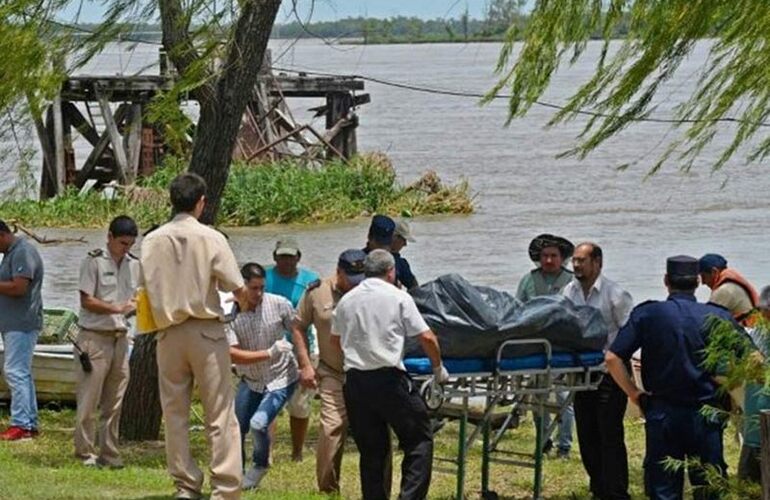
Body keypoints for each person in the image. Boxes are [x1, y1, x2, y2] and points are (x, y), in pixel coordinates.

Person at [140, 173, 246, 500]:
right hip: (205, 330)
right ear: (201, 202)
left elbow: (144, 288)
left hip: (168, 333)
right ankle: (225, 487)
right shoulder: (211, 238)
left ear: (172, 200)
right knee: (220, 414)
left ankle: (185, 484)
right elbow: (233, 284)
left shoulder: (151, 240)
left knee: (174, 414)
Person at [606, 255, 737, 499]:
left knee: (663, 489)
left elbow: (613, 359)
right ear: (698, 282)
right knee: (709, 487)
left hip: (663, 413)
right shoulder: (718, 316)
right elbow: (752, 359)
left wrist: (634, 394)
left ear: (666, 280)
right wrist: (728, 389)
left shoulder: (648, 314)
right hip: (706, 413)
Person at [331, 249, 449, 500]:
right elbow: (426, 337)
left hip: (356, 383)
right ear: (391, 271)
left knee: (372, 451)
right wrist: (438, 369)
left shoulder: (346, 301)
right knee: (419, 441)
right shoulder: (398, 297)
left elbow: (335, 341)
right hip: (389, 380)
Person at [562, 242, 634, 499]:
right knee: (587, 434)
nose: (577, 265)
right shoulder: (568, 292)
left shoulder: (615, 294)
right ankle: (598, 487)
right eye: (575, 261)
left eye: (582, 260)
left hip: (610, 373)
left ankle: (616, 492)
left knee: (610, 435)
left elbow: (630, 333)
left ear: (598, 263)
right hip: (582, 373)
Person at [291, 249, 367, 493]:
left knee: (375, 430)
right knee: (331, 428)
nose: (355, 284)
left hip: (366, 372)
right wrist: (305, 365)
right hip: (332, 371)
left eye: (360, 278)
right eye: (351, 278)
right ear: (338, 271)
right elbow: (298, 326)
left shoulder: (371, 291)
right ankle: (328, 489)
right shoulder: (316, 291)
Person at [74, 215, 139, 468]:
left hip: (121, 338)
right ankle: (85, 452)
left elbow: (135, 299)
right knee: (89, 400)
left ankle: (110, 453)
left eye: (131, 244)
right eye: (123, 243)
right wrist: (117, 308)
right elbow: (86, 300)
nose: (126, 248)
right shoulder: (93, 262)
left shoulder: (135, 265)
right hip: (94, 338)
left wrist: (136, 308)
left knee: (115, 401)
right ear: (109, 237)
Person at [227, 262, 298, 490]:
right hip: (251, 378)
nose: (258, 293)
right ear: (241, 287)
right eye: (253, 288)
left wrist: (306, 362)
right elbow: (233, 354)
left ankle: (260, 465)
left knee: (259, 423)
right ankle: (236, 473)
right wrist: (268, 353)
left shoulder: (279, 304)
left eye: (262, 288)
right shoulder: (228, 313)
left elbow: (298, 332)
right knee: (236, 427)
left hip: (281, 376)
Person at [516, 233, 575, 458]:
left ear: (562, 258)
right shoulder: (528, 280)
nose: (549, 260)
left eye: (553, 256)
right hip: (535, 348)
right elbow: (517, 310)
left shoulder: (571, 280)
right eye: (545, 256)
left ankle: (564, 446)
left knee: (564, 398)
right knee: (538, 398)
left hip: (562, 348)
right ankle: (543, 442)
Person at [264, 236, 319, 462]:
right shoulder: (265, 277)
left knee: (300, 405)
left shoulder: (311, 280)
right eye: (282, 257)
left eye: (291, 257)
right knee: (268, 403)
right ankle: (265, 454)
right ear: (275, 257)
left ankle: (297, 453)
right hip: (270, 348)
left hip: (303, 349)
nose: (287, 261)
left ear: (298, 257)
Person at [0, 219, 44, 441]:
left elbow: (19, 287)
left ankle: (20, 424)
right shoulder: (10, 253)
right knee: (22, 373)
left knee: (15, 372)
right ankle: (29, 423)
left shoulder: (22, 252)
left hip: (22, 323)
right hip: (12, 323)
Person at [738, 285, 770, 482]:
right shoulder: (756, 334)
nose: (765, 316)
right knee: (749, 482)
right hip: (754, 424)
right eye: (763, 311)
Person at [698, 253, 759, 324]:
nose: (703, 282)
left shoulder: (724, 290)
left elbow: (707, 321)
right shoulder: (731, 283)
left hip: (747, 330)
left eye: (703, 277)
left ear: (714, 272)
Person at [363, 214, 414, 290]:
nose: (405, 244)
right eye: (403, 240)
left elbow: (415, 288)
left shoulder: (399, 264)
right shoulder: (358, 260)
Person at [392, 219, 418, 290]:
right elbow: (414, 288)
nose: (405, 244)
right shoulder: (400, 264)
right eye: (404, 240)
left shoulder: (365, 255)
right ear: (394, 237)